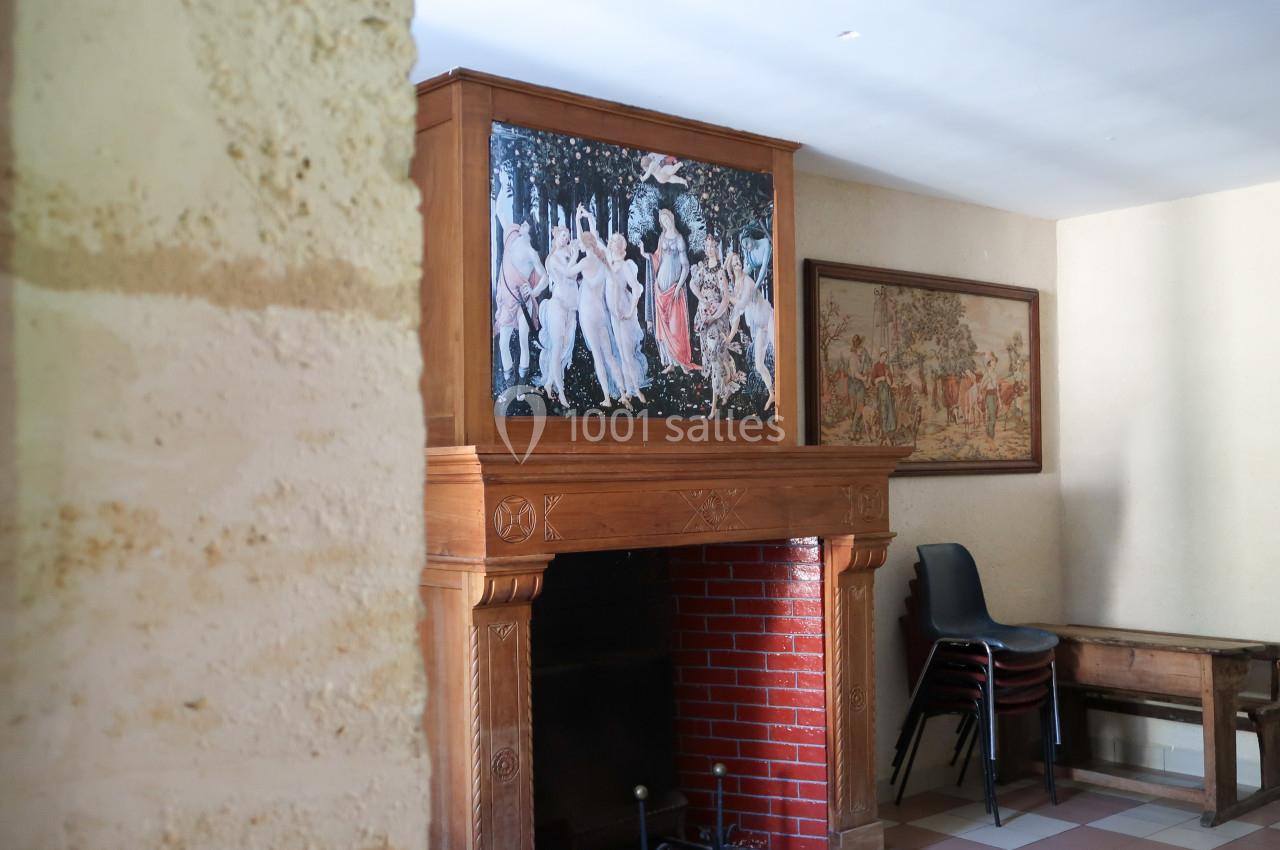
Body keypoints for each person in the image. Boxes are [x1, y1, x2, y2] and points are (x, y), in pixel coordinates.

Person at [493, 173, 548, 392]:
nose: (522, 223)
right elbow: (498, 212)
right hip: (507, 301)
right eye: (524, 221)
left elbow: (545, 277)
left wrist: (533, 291)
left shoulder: (532, 252)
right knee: (503, 343)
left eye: (527, 223)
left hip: (523, 303)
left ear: (531, 229)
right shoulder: (511, 237)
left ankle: (523, 386)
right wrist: (504, 185)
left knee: (524, 340)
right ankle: (508, 384)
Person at [574, 206, 624, 408]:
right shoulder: (602, 258)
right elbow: (591, 237)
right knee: (610, 355)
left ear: (583, 245)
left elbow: (569, 272)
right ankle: (622, 391)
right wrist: (587, 220)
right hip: (601, 313)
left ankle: (606, 396)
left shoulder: (584, 262)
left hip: (588, 313)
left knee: (598, 356)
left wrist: (578, 220)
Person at [642, 209, 699, 375]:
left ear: (672, 219)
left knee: (675, 326)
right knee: (663, 325)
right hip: (660, 286)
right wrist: (646, 255)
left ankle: (681, 360)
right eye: (663, 221)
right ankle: (669, 362)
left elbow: (686, 266)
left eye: (667, 219)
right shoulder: (662, 237)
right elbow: (657, 258)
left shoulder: (679, 239)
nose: (665, 223)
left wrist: (679, 285)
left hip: (674, 288)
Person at [690, 238, 743, 416]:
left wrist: (714, 315)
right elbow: (692, 284)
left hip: (717, 319)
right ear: (705, 249)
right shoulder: (703, 268)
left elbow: (726, 299)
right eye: (707, 247)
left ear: (716, 249)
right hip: (703, 316)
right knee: (714, 358)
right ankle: (724, 389)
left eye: (713, 246)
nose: (710, 249)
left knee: (714, 360)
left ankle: (713, 406)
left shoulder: (720, 272)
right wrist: (702, 300)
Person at [601, 232, 649, 408]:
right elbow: (597, 242)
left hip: (622, 313)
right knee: (620, 353)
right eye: (611, 241)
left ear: (621, 247)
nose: (612, 244)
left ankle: (636, 389)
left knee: (627, 354)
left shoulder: (623, 265)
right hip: (613, 314)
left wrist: (629, 312)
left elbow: (637, 289)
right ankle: (628, 391)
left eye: (616, 242)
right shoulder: (609, 261)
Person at [537, 223, 582, 407]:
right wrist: (577, 256)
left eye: (567, 235)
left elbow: (580, 240)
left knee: (564, 347)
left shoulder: (569, 252)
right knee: (557, 347)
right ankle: (561, 392)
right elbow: (569, 273)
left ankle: (549, 384)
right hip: (558, 305)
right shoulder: (554, 258)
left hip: (572, 307)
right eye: (563, 235)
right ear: (556, 237)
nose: (566, 238)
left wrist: (579, 219)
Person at [726, 250, 776, 412]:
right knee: (759, 363)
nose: (737, 264)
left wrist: (727, 296)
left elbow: (741, 303)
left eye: (738, 260)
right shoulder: (736, 287)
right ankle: (772, 393)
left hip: (769, 319)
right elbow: (737, 314)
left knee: (777, 352)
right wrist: (730, 336)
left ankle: (784, 387)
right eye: (734, 263)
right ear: (731, 268)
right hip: (760, 327)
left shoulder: (747, 281)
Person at [843, 335, 873, 439]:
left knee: (860, 407)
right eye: (857, 348)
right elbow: (855, 373)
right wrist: (864, 379)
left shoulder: (864, 352)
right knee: (853, 408)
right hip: (853, 383)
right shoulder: (852, 357)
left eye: (860, 345)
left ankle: (853, 430)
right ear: (855, 347)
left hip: (861, 384)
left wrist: (868, 380)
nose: (860, 350)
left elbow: (869, 365)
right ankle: (857, 430)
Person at [870, 348, 896, 443]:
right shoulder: (876, 366)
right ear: (880, 355)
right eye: (884, 356)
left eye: (886, 356)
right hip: (880, 392)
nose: (885, 358)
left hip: (887, 392)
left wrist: (888, 377)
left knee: (890, 412)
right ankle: (883, 433)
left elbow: (891, 383)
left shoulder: (887, 367)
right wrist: (881, 378)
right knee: (883, 412)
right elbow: (873, 381)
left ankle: (889, 433)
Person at [978, 351, 1000, 440]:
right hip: (989, 396)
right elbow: (981, 386)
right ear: (990, 363)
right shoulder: (987, 374)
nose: (995, 363)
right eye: (993, 361)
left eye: (995, 361)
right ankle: (991, 437)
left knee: (993, 416)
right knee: (992, 417)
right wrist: (987, 381)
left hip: (995, 396)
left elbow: (997, 388)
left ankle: (988, 433)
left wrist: (1000, 401)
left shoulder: (995, 374)